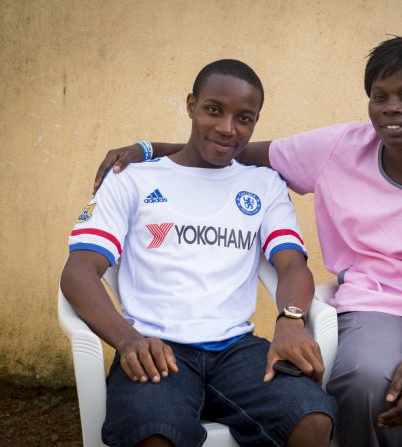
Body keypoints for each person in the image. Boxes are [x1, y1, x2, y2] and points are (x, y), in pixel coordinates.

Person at [93, 38, 402, 447]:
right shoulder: (341, 147)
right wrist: (149, 150)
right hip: (377, 303)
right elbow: (236, 147)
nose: (391, 108)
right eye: (379, 96)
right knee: (363, 379)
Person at [62, 59, 336, 447]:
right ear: (191, 106)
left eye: (244, 118)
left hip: (238, 351)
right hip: (155, 345)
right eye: (214, 110)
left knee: (310, 418)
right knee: (153, 433)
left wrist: (291, 320)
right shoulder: (133, 179)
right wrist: (127, 341)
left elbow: (292, 264)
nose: (228, 128)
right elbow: (78, 273)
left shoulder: (264, 184)